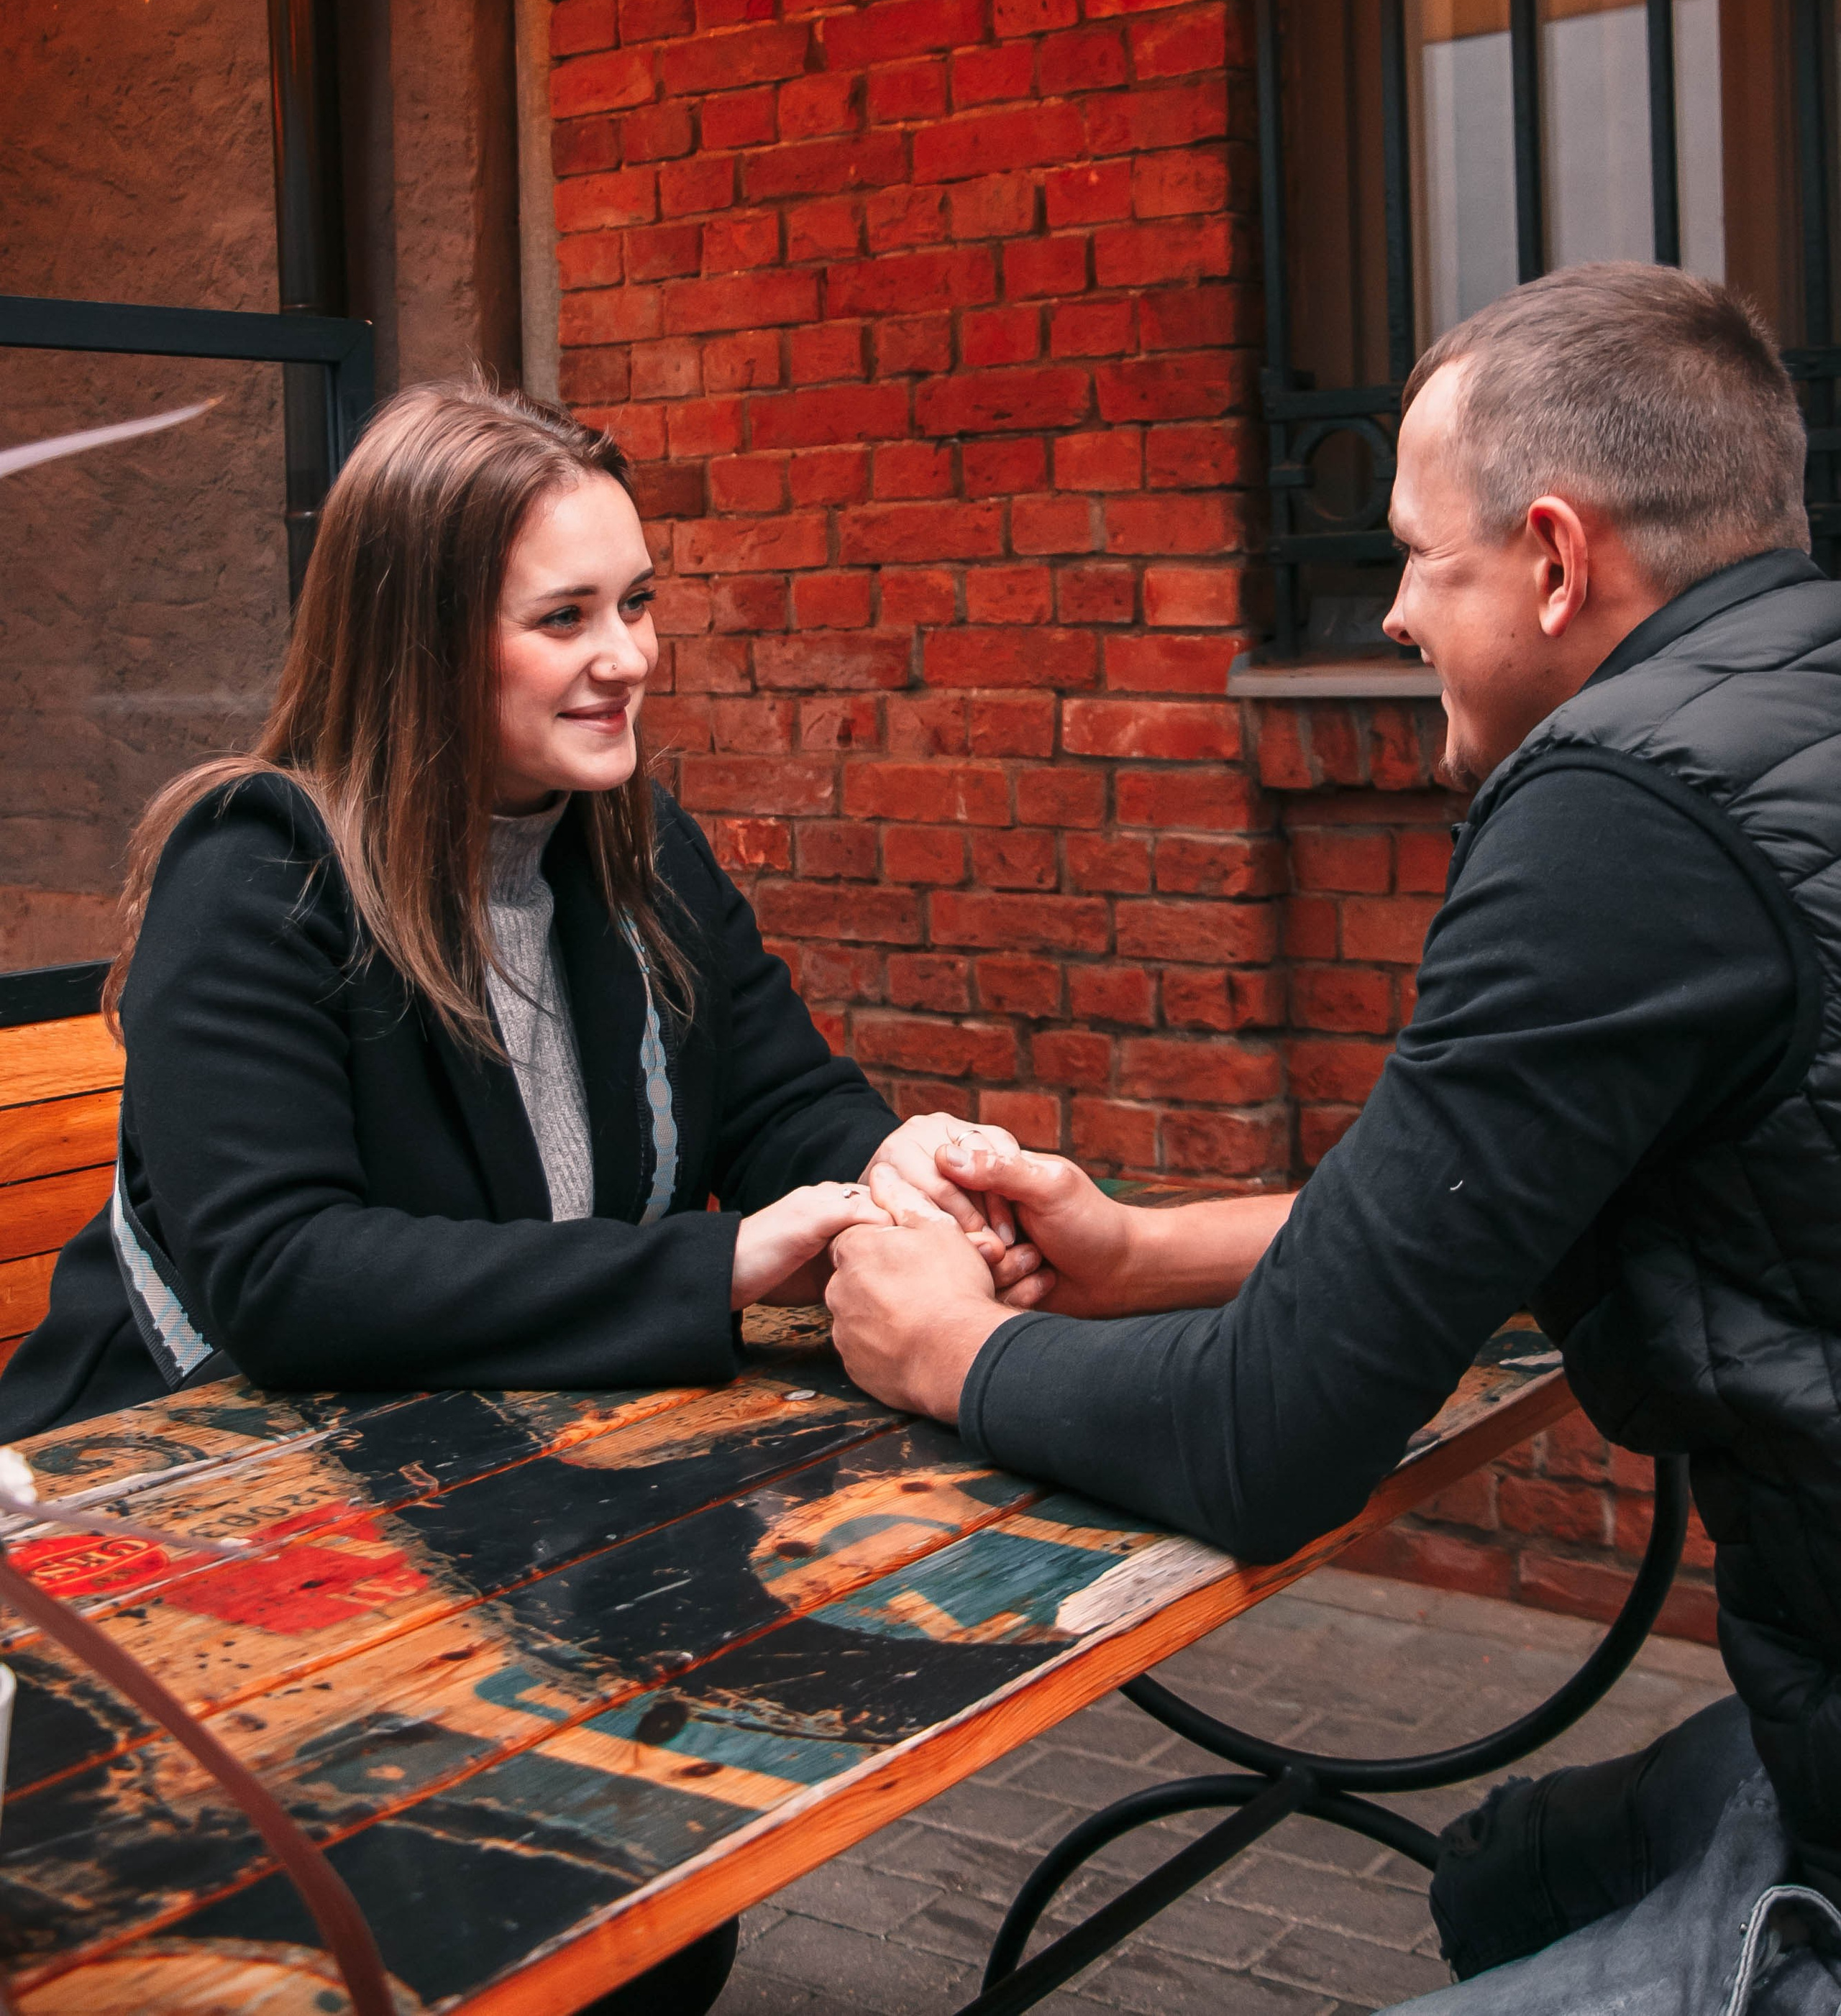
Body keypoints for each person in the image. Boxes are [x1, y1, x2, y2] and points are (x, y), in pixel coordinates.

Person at [833, 264, 1841, 2013]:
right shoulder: (1785, 706)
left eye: (1415, 558)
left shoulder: (1619, 810)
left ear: (1549, 557)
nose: (1386, 615)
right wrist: (1139, 1251)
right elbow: (1500, 1201)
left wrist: (950, 1353)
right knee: (1506, 1867)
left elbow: (1271, 1438)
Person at [0, 382, 1036, 2016]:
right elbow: (281, 1274)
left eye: (636, 603)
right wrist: (711, 1271)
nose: (626, 656)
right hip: (187, 1559)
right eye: (565, 617)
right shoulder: (255, 870)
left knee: (656, 1925)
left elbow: (778, 1097)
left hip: (484, 1498)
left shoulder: (628, 847)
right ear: (417, 640)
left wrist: (885, 1165)